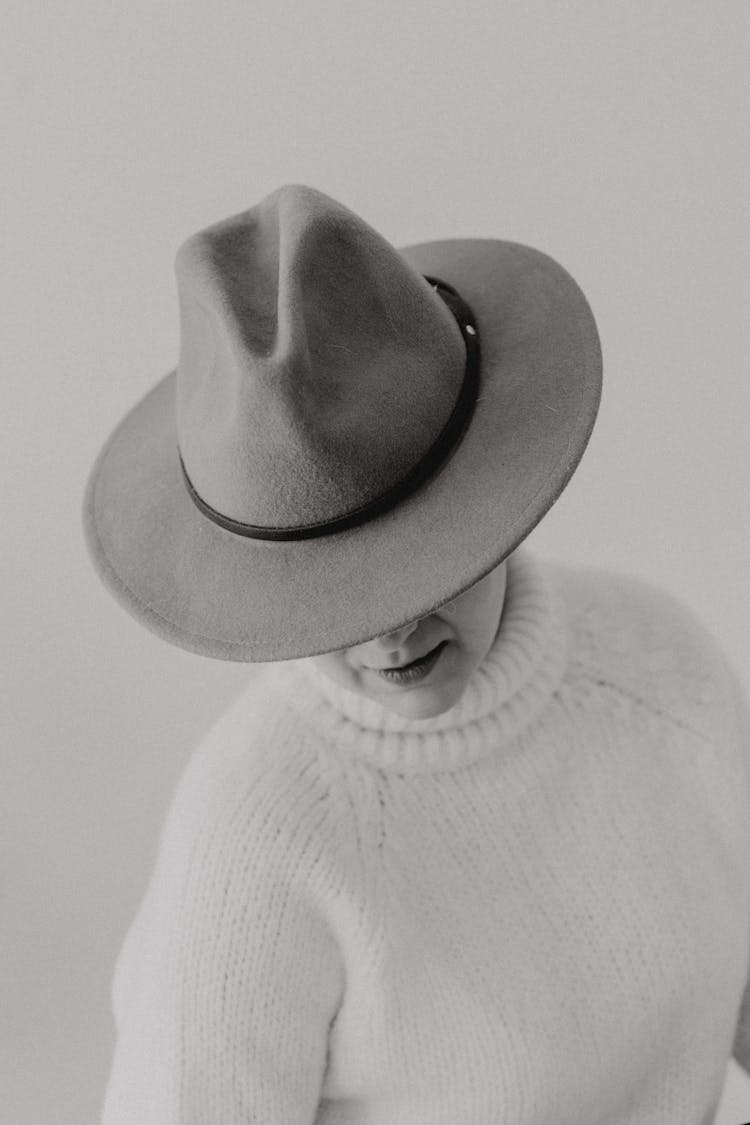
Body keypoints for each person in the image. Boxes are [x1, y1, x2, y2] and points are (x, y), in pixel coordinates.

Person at [83, 184, 750, 1124]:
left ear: (492, 501)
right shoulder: (251, 842)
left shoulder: (660, 666)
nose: (387, 630)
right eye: (331, 594)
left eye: (417, 563)